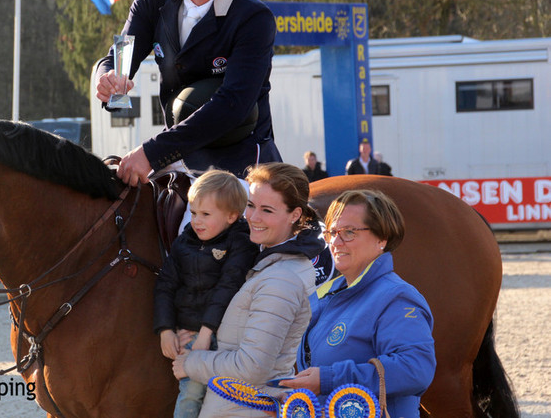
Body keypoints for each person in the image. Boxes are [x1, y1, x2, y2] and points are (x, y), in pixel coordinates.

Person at [94, 0, 281, 186]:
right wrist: (108, 79)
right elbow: (118, 58)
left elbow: (232, 105)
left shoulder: (254, 17)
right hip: (174, 157)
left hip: (243, 167)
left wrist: (151, 152)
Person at [172, 163, 325, 417]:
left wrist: (191, 362)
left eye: (267, 210)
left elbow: (252, 366)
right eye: (251, 206)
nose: (253, 217)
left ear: (295, 214)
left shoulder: (282, 279)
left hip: (243, 409)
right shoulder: (266, 261)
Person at [279, 190, 436, 417]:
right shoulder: (328, 293)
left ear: (382, 239)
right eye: (332, 232)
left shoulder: (396, 297)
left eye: (349, 232)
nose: (336, 241)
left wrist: (328, 379)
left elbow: (416, 369)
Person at [154, 169, 258, 418]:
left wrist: (205, 334)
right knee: (191, 391)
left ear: (232, 216)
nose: (196, 221)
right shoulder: (184, 243)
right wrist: (166, 329)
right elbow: (165, 285)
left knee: (215, 394)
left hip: (222, 335)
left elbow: (227, 288)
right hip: (189, 332)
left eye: (205, 214)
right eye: (193, 213)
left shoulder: (241, 243)